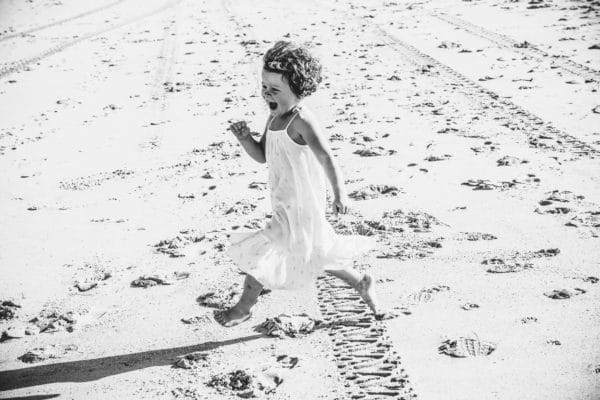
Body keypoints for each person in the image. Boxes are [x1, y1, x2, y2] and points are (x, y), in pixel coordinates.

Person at [214, 41, 382, 327]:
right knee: (317, 253)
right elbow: (262, 156)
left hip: (302, 204)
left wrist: (340, 194)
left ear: (298, 90)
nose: (267, 93)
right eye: (264, 87)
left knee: (263, 252)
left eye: (275, 90)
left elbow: (326, 157)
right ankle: (361, 282)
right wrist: (245, 139)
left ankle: (243, 308)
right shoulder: (273, 117)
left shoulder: (302, 121)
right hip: (282, 201)